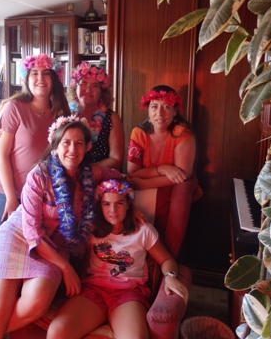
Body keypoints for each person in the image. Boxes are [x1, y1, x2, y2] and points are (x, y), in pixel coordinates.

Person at [0, 117, 123, 338]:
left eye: (79, 143)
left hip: (55, 247)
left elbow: (119, 179)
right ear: (55, 145)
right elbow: (33, 233)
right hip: (18, 237)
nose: (72, 149)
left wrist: (131, 205)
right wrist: (66, 268)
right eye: (66, 142)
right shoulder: (39, 175)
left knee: (37, 301)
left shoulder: (90, 175)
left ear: (87, 147)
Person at [47, 179, 189, 339]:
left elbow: (166, 260)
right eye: (106, 204)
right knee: (57, 333)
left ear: (129, 204)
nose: (113, 210)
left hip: (128, 293)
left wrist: (170, 276)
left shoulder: (143, 231)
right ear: (100, 205)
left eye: (119, 203)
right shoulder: (91, 228)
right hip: (93, 290)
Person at [0, 54, 71, 272]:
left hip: (39, 195)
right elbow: (1, 155)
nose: (40, 79)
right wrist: (11, 198)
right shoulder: (14, 108)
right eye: (34, 73)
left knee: (29, 253)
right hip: (6, 192)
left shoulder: (61, 113)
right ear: (26, 78)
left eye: (46, 73)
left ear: (54, 78)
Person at [126, 85, 201, 258]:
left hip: (177, 184)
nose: (159, 113)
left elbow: (182, 176)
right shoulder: (138, 133)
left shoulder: (183, 134)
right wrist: (162, 169)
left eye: (166, 107)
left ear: (175, 111)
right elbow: (132, 172)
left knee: (182, 188)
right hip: (161, 179)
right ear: (148, 109)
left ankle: (168, 259)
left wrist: (142, 184)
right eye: (154, 106)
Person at [68, 62, 124, 170]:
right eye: (83, 83)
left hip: (100, 175)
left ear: (102, 92)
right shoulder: (65, 113)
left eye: (94, 85)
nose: (88, 90)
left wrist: (86, 172)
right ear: (75, 88)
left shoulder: (112, 118)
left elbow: (116, 159)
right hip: (69, 173)